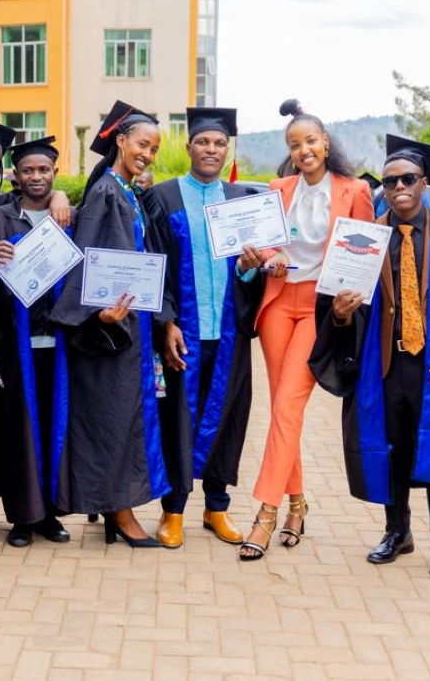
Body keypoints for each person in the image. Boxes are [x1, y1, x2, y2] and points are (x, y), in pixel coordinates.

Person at [310, 136, 430, 580]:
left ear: (424, 182)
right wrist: (340, 315)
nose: (398, 187)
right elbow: (334, 304)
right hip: (383, 364)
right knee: (392, 449)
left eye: (408, 179)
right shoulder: (362, 238)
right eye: (390, 181)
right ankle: (397, 532)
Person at [241, 111, 375, 561]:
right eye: (295, 144)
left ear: (325, 142)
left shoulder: (354, 191)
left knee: (287, 406)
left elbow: (365, 255)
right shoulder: (279, 189)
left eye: (311, 141)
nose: (304, 150)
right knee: (284, 408)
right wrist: (269, 257)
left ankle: (266, 512)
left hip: (320, 307)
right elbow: (266, 243)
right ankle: (297, 505)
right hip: (279, 302)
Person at [50, 100, 170, 547]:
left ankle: (116, 506)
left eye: (154, 149)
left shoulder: (125, 191)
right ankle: (119, 510)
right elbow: (88, 260)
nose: (148, 155)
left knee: (123, 416)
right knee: (114, 419)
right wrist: (97, 313)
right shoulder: (107, 192)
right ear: (120, 141)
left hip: (127, 325)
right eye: (142, 145)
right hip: (108, 330)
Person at [142, 107, 263, 549]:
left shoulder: (241, 199)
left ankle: (217, 508)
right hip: (184, 334)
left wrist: (250, 269)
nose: (211, 149)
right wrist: (167, 321)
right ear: (189, 146)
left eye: (219, 143)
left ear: (227, 148)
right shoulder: (164, 197)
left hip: (229, 332)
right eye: (203, 142)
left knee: (227, 418)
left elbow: (253, 269)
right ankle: (173, 511)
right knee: (178, 419)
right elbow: (155, 264)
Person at [0, 136, 75, 548]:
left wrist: (63, 198)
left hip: (59, 342)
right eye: (28, 170)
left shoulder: (70, 215)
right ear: (15, 176)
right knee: (18, 433)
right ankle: (22, 517)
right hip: (14, 343)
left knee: (54, 428)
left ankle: (50, 515)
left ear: (55, 173)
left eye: (44, 170)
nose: (36, 176)